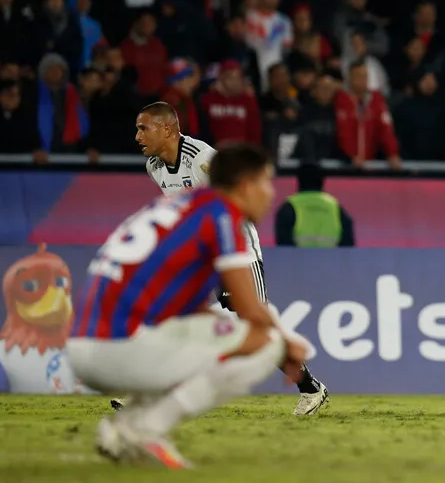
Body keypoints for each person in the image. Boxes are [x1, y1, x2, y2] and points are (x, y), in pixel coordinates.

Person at [67, 144, 308, 468]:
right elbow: (251, 310)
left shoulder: (178, 206)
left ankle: (122, 430)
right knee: (266, 343)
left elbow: (190, 309)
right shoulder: (222, 217)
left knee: (210, 335)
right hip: (118, 349)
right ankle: (148, 430)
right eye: (267, 183)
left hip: (83, 347)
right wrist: (288, 344)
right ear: (246, 186)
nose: (271, 194)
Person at [122, 101, 329, 415]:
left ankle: (311, 389)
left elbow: (239, 203)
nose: (137, 136)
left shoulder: (204, 160)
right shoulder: (155, 167)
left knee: (257, 331)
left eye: (143, 128)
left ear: (167, 129)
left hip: (237, 253)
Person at [275, 163, 356, 247]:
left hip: (298, 260)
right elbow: (348, 249)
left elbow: (283, 246)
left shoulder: (288, 207)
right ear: (322, 181)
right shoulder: (335, 207)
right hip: (330, 259)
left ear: (299, 180)